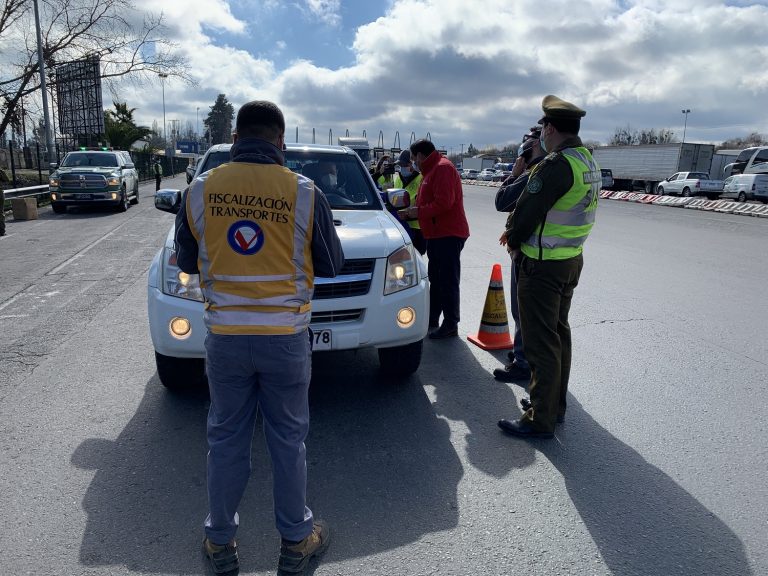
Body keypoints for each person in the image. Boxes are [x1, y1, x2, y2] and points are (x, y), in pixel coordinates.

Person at [174, 100, 344, 574]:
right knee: (288, 441)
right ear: (280, 141)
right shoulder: (305, 193)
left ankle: (220, 544)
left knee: (226, 439)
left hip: (226, 337)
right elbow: (332, 264)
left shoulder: (200, 190)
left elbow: (187, 262)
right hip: (285, 338)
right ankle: (295, 540)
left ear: (234, 138)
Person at [497, 95, 600, 439]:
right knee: (559, 337)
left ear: (551, 128)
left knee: (541, 344)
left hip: (542, 266)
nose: (541, 132)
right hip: (569, 260)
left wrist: (512, 241)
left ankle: (540, 418)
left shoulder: (556, 165)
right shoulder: (587, 160)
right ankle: (555, 407)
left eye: (543, 127)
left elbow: (525, 213)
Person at [400, 139, 470, 339]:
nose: (413, 163)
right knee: (436, 279)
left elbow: (444, 203)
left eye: (414, 159)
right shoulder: (430, 171)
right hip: (436, 234)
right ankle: (433, 318)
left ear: (421, 155)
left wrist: (417, 212)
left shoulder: (443, 168)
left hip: (448, 233)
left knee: (447, 280)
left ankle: (450, 323)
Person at [493, 127, 545, 383]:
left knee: (521, 311)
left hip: (528, 253)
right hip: (546, 254)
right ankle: (521, 355)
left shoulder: (533, 174)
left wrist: (513, 175)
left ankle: (524, 363)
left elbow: (502, 202)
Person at [393, 150, 426, 255]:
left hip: (417, 227)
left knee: (416, 256)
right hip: (401, 225)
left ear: (411, 163)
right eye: (400, 165)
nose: (402, 167)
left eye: (404, 164)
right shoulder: (398, 179)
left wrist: (408, 213)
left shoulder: (421, 179)